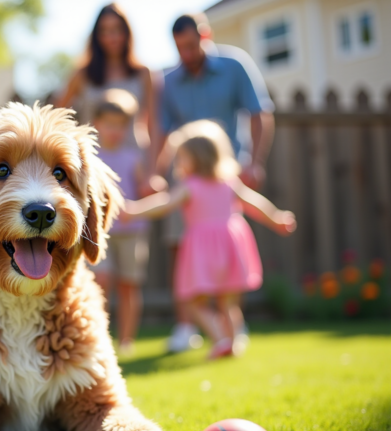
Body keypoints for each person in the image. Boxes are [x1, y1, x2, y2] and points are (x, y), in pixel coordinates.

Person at [121, 121, 295, 358]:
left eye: (182, 157)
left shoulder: (190, 186)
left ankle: (222, 339)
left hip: (202, 249)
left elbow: (164, 204)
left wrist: (133, 211)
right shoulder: (229, 182)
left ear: (198, 158)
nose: (178, 163)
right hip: (231, 243)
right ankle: (232, 343)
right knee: (229, 303)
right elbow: (255, 203)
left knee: (193, 302)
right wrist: (276, 217)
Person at [157, 13, 276, 353]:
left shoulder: (235, 65)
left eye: (192, 46)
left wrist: (255, 161)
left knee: (226, 253)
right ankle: (187, 327)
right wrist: (157, 173)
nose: (187, 54)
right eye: (180, 49)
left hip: (227, 171)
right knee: (182, 247)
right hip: (186, 178)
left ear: (205, 36)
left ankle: (229, 325)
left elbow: (259, 113)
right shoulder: (169, 80)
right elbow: (163, 132)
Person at [56, 3, 159, 195]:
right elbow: (57, 117)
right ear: (96, 36)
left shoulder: (143, 73)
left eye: (117, 30)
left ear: (127, 33)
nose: (111, 37)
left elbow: (152, 123)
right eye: (104, 31)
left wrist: (151, 173)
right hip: (93, 162)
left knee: (132, 221)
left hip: (133, 164)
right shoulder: (82, 74)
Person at [89, 89, 149, 354]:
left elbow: (144, 188)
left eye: (121, 125)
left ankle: (126, 341)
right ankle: (98, 339)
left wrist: (150, 187)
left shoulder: (133, 158)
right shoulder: (90, 157)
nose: (115, 130)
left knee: (128, 285)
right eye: (109, 124)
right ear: (97, 124)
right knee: (100, 281)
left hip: (131, 231)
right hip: (100, 232)